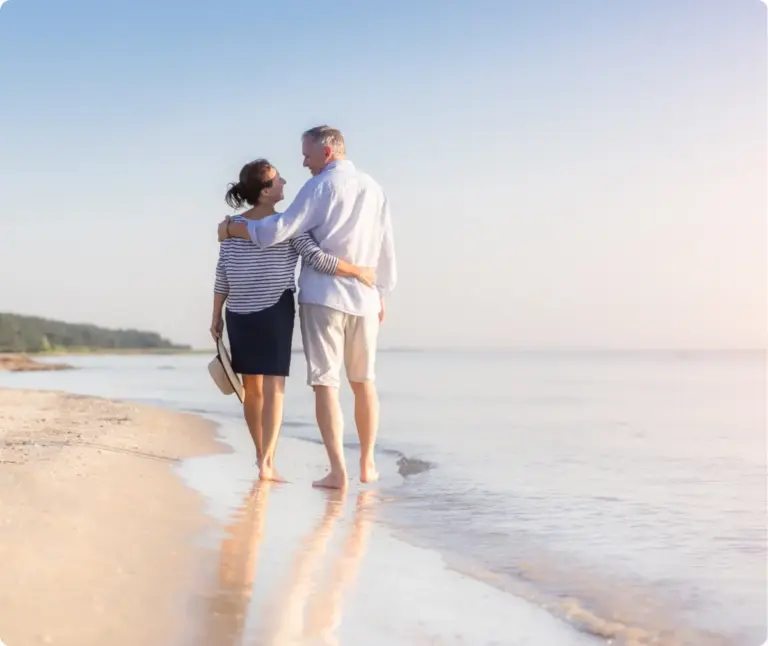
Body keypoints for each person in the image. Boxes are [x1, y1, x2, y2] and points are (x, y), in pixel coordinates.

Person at [218, 126, 397, 489]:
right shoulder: (374, 188)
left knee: (326, 383)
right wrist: (381, 292)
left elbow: (278, 230)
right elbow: (385, 247)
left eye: (307, 155)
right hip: (364, 300)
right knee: (365, 382)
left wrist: (233, 229)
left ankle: (338, 471)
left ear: (326, 153)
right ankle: (367, 464)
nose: (303, 163)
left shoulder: (318, 187)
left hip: (324, 298)